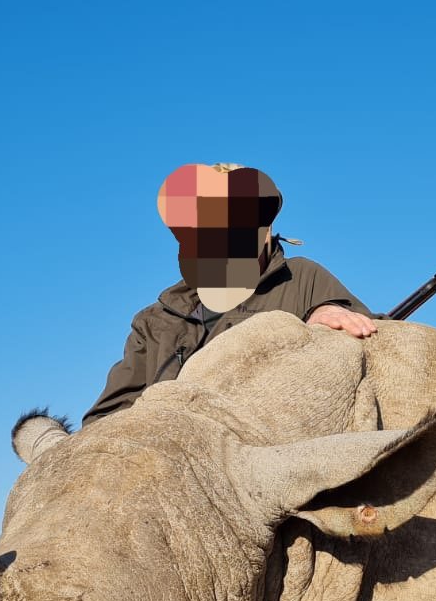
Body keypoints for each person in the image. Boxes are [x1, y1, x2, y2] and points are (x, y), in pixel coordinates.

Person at [83, 163, 378, 426]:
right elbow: (106, 417)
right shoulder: (154, 321)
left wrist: (327, 310)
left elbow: (380, 341)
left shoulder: (302, 276)